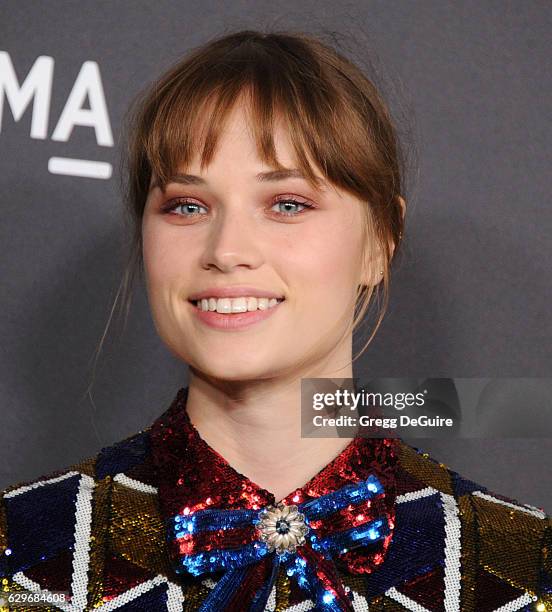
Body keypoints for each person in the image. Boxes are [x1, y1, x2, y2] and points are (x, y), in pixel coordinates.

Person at [0, 29, 550, 612]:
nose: (228, 249)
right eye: (187, 206)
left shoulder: (519, 572)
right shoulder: (24, 549)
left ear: (380, 241)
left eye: (287, 204)